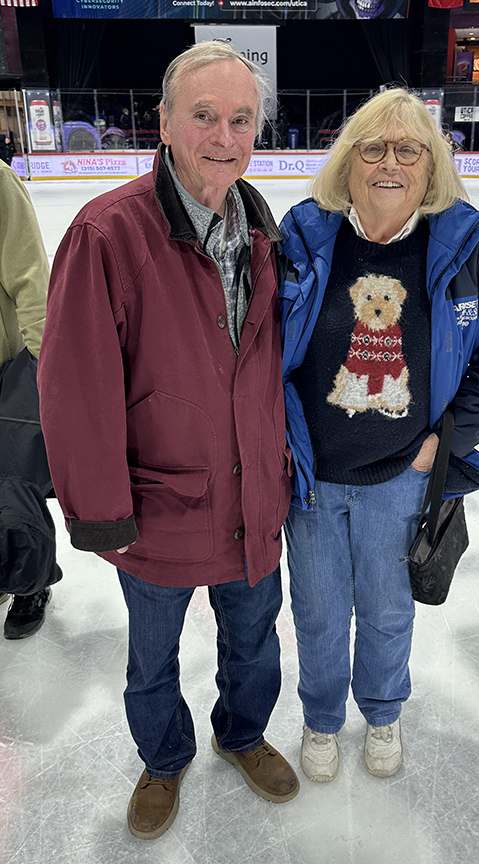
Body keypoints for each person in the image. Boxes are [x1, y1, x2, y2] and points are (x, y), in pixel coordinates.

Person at [38, 42, 299, 840]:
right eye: (204, 115)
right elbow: (76, 387)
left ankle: (243, 735)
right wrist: (101, 512)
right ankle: (163, 756)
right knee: (152, 658)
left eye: (241, 120)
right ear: (163, 121)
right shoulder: (107, 232)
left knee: (255, 641)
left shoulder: (265, 231)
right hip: (159, 505)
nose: (224, 136)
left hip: (253, 497)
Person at [279, 89, 479, 784]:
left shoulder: (468, 248)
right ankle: (321, 719)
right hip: (311, 477)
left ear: (431, 165)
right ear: (348, 160)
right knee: (318, 613)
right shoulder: (303, 236)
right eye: (373, 148)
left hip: (401, 477)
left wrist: (442, 446)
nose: (389, 163)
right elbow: (257, 347)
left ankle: (383, 712)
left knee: (388, 612)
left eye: (408, 150)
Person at [0, 159, 56, 639]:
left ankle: (31, 583)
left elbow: (30, 278)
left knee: (14, 486)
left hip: (5, 370)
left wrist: (45, 367)